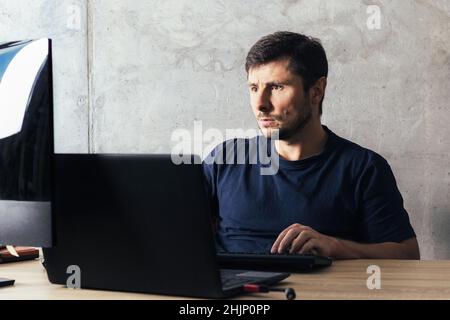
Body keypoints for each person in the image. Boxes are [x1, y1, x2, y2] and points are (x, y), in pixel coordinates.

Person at [202, 31, 420, 259]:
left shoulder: (363, 168)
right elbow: (176, 230)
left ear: (316, 91)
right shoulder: (225, 158)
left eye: (276, 87)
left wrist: (334, 247)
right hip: (232, 291)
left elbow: (408, 255)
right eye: (254, 88)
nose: (261, 104)